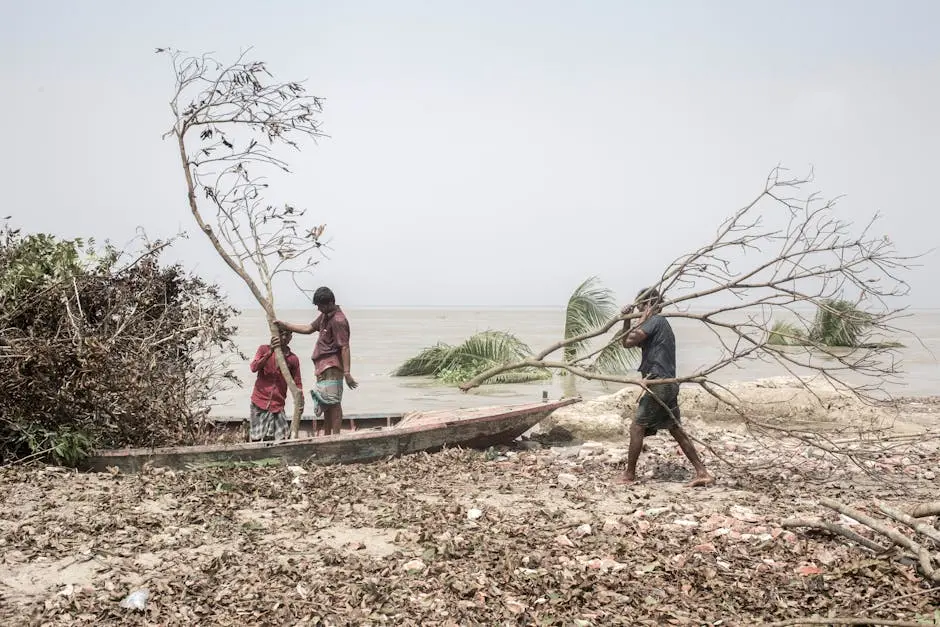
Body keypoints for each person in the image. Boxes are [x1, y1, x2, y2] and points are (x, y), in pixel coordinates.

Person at [617, 286, 714, 487]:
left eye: (640, 305)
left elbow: (629, 339)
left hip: (659, 383)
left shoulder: (656, 321)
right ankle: (702, 472)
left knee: (637, 428)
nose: (638, 310)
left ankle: (629, 475)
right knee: (675, 429)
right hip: (668, 383)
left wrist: (633, 319)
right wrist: (627, 319)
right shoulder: (657, 324)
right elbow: (627, 343)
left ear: (648, 305)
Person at [276, 286, 358, 436]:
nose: (318, 309)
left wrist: (347, 373)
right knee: (326, 403)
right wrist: (285, 325)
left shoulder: (338, 320)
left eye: (320, 305)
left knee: (334, 403)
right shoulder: (325, 316)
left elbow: (345, 347)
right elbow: (308, 328)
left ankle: (335, 436)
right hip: (322, 367)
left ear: (329, 303)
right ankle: (327, 435)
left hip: (332, 366)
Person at [248, 329, 302, 442]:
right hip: (259, 401)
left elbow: (297, 382)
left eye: (287, 335)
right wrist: (270, 352)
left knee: (281, 438)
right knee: (256, 438)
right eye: (281, 334)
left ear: (291, 337)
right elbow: (254, 367)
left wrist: (300, 400)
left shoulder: (293, 359)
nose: (284, 338)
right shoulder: (264, 349)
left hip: (277, 404)